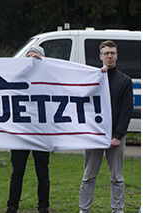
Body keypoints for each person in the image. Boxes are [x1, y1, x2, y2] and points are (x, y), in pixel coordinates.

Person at [78, 40, 133, 213]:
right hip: (95, 135)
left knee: (117, 177)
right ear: (100, 56)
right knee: (88, 176)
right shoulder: (93, 78)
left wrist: (118, 135)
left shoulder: (125, 81)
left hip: (115, 136)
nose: (110, 56)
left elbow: (126, 110)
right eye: (106, 53)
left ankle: (117, 209)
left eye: (113, 53)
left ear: (117, 56)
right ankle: (84, 209)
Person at [6, 46, 49, 213]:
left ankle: (44, 206)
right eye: (29, 56)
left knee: (42, 172)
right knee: (17, 172)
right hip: (21, 133)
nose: (32, 58)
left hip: (41, 132)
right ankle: (12, 205)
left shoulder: (48, 77)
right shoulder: (19, 76)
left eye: (35, 56)